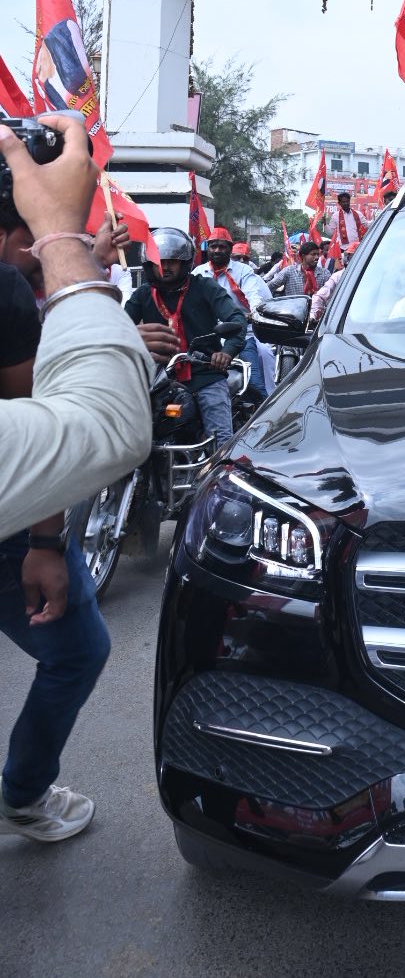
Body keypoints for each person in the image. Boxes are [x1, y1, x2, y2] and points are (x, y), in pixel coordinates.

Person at [0, 115, 152, 842]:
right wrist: (47, 543)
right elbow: (89, 425)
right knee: (81, 651)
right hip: (22, 518)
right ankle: (25, 793)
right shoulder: (9, 287)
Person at [125, 228, 246, 446]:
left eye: (172, 261)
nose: (165, 266)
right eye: (159, 262)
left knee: (220, 439)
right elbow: (121, 326)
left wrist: (226, 352)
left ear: (185, 262)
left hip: (204, 373)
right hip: (158, 377)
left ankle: (220, 473)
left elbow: (236, 318)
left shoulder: (204, 287)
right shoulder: (143, 294)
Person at [193, 226, 272, 399]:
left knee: (263, 358)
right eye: (213, 246)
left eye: (222, 247)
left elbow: (254, 296)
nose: (217, 250)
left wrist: (253, 313)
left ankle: (267, 404)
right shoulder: (198, 273)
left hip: (242, 332)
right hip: (207, 335)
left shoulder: (244, 271)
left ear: (230, 249)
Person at [310, 240, 360, 324]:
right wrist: (312, 315)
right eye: (349, 256)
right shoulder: (338, 276)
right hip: (341, 321)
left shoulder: (373, 276)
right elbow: (320, 296)